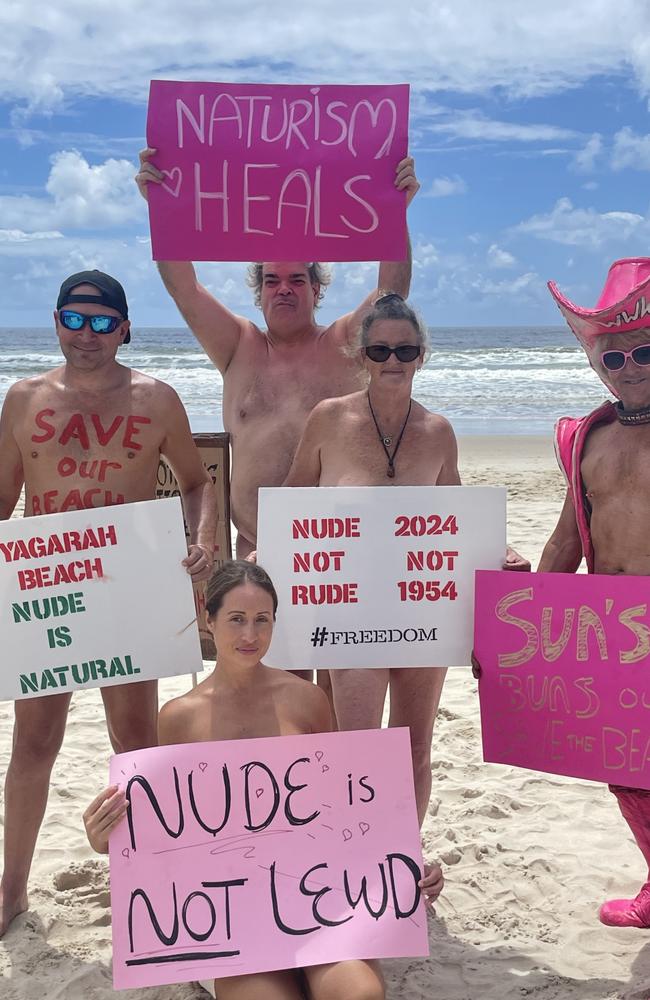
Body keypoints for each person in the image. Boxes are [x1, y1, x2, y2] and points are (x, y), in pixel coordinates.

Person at [84, 559, 443, 1000]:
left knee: (358, 994)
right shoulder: (178, 717)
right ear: (209, 620)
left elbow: (342, 814)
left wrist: (406, 866)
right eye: (236, 619)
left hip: (318, 899)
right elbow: (166, 831)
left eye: (262, 620)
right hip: (233, 915)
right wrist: (108, 840)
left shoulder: (307, 702)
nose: (250, 636)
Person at [0, 269, 217, 937]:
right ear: (57, 320)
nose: (86, 334)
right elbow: (4, 501)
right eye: (74, 318)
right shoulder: (22, 399)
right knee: (35, 741)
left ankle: (152, 881)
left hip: (129, 585)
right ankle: (11, 891)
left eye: (101, 323)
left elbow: (195, 482)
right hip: (53, 591)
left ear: (123, 328)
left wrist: (203, 535)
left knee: (136, 741)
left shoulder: (156, 399)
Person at [282, 294, 528, 826]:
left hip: (423, 615)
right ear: (360, 355)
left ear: (421, 356)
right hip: (349, 615)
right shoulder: (328, 420)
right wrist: (268, 550)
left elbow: (455, 518)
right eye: (379, 350)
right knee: (356, 751)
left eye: (405, 349)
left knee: (415, 750)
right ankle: (352, 864)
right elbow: (293, 502)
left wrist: (496, 551)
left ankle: (401, 863)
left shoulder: (438, 432)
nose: (392, 360)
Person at [135, 148, 420, 558]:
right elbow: (185, 289)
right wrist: (160, 208)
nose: (283, 288)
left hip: (337, 549)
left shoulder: (344, 343)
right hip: (253, 546)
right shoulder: (238, 345)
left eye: (295, 280)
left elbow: (392, 294)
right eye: (271, 280)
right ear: (259, 292)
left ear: (316, 289)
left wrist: (395, 213)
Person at [540, 257, 650, 927]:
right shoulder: (590, 439)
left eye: (644, 350)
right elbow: (564, 543)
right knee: (627, 771)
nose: (630, 367)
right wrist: (508, 629)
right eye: (614, 358)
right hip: (609, 637)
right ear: (594, 363)